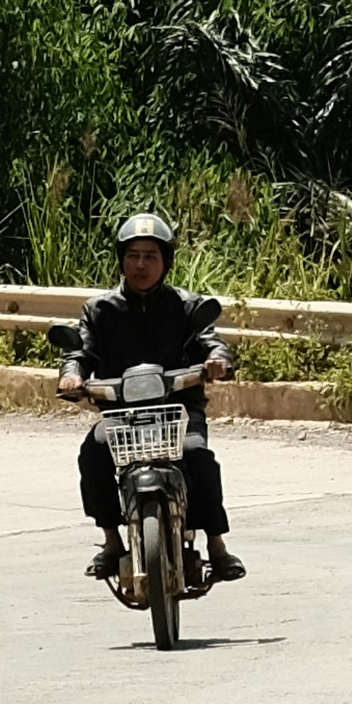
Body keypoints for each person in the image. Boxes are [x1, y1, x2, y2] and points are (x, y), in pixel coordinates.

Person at [68, 208, 241, 591]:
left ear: (166, 262)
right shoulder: (100, 310)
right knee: (92, 452)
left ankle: (217, 544)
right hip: (121, 416)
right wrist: (72, 374)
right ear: (121, 260)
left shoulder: (187, 306)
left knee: (198, 456)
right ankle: (112, 541)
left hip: (178, 413)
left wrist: (218, 360)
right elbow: (81, 351)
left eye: (150, 256)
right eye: (133, 256)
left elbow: (212, 341)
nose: (141, 265)